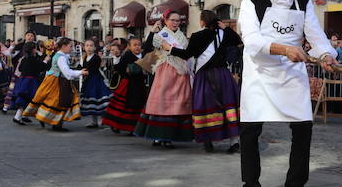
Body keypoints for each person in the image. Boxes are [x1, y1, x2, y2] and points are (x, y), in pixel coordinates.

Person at [236, 0, 338, 187]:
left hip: (292, 73)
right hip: (259, 73)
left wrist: (326, 54)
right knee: (250, 131)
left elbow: (314, 34)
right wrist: (284, 49)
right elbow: (252, 39)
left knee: (303, 128)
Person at [162, 9, 243, 153]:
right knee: (228, 106)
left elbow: (187, 55)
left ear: (202, 22)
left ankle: (208, 140)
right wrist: (225, 28)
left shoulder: (197, 36)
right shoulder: (224, 34)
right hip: (223, 74)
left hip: (205, 76)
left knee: (206, 107)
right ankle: (234, 141)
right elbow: (238, 41)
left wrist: (170, 49)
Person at [135, 11, 195, 147]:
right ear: (165, 20)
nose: (175, 23)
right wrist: (152, 31)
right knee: (162, 103)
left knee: (177, 105)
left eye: (178, 21)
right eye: (173, 20)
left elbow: (187, 54)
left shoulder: (182, 37)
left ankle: (169, 136)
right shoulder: (160, 35)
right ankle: (157, 136)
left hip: (180, 74)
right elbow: (146, 48)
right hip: (165, 72)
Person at [23, 37, 87, 131]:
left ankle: (47, 119)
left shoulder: (61, 55)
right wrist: (80, 72)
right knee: (59, 101)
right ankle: (55, 123)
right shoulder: (61, 57)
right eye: (70, 46)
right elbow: (67, 72)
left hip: (54, 80)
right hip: (57, 82)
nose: (72, 48)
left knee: (53, 100)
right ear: (64, 46)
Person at [101, 37, 148, 134]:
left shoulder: (143, 55)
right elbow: (119, 68)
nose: (137, 47)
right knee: (123, 106)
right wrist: (128, 71)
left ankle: (133, 127)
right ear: (129, 47)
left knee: (137, 105)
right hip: (128, 85)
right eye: (134, 45)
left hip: (139, 85)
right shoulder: (127, 56)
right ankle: (116, 124)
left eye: (139, 45)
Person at [11, 42, 47, 125]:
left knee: (24, 98)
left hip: (23, 80)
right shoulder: (33, 59)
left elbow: (20, 69)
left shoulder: (24, 59)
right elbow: (41, 68)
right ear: (33, 50)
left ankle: (23, 116)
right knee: (31, 98)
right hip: (31, 81)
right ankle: (19, 116)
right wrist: (45, 61)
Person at [79, 39, 110, 128]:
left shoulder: (96, 57)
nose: (89, 47)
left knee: (98, 99)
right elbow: (84, 67)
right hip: (88, 81)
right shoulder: (84, 57)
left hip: (96, 80)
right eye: (87, 45)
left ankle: (103, 120)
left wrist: (82, 70)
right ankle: (94, 121)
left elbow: (91, 69)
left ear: (94, 47)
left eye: (91, 46)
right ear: (84, 47)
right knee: (91, 100)